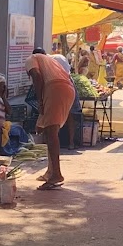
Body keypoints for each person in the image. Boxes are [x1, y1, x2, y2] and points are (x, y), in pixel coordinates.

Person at [27, 48, 76, 189]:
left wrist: (40, 101)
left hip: (56, 88)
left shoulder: (31, 59)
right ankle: (51, 171)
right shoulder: (50, 60)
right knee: (49, 131)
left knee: (51, 133)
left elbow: (37, 76)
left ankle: (56, 175)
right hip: (67, 88)